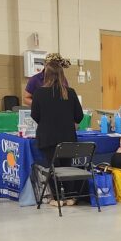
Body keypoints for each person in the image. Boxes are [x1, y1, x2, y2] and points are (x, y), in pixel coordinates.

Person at [30, 57, 83, 206]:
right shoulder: (70, 92)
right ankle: (71, 197)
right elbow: (79, 116)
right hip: (68, 138)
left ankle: (58, 198)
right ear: (62, 75)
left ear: (46, 75)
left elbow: (35, 115)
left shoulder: (39, 93)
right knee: (67, 167)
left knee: (53, 166)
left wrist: (47, 122)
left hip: (48, 138)